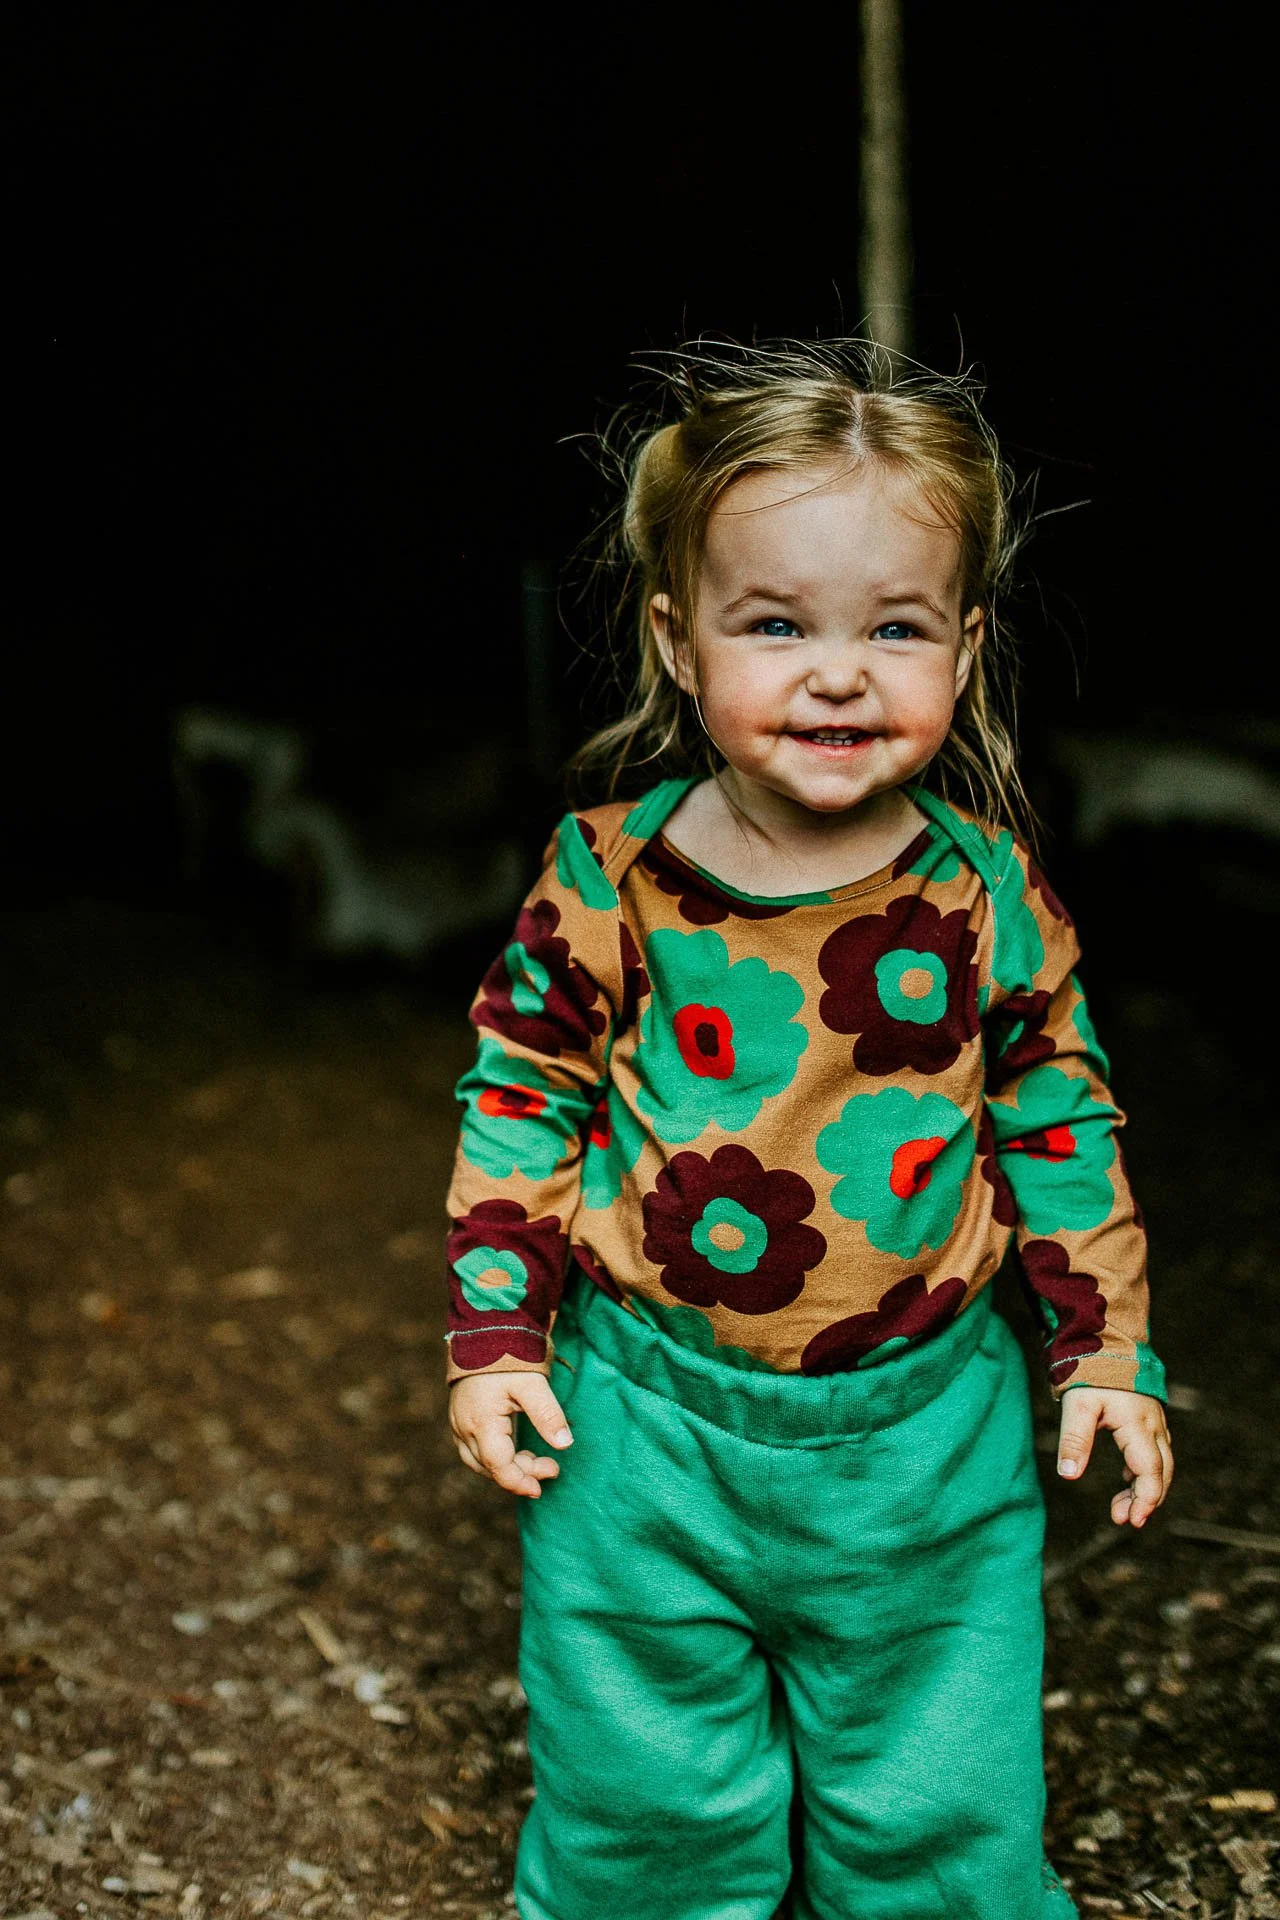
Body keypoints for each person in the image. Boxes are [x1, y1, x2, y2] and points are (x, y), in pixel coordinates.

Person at [442, 339, 1173, 1920]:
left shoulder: (985, 896)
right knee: (640, 1797)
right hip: (642, 1432)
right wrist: (498, 1341)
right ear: (679, 641)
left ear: (963, 653)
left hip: (924, 1445)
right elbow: (521, 1099)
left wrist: (1104, 1350)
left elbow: (1060, 1118)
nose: (838, 672)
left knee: (937, 1792)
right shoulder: (609, 877)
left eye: (893, 628)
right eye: (776, 624)